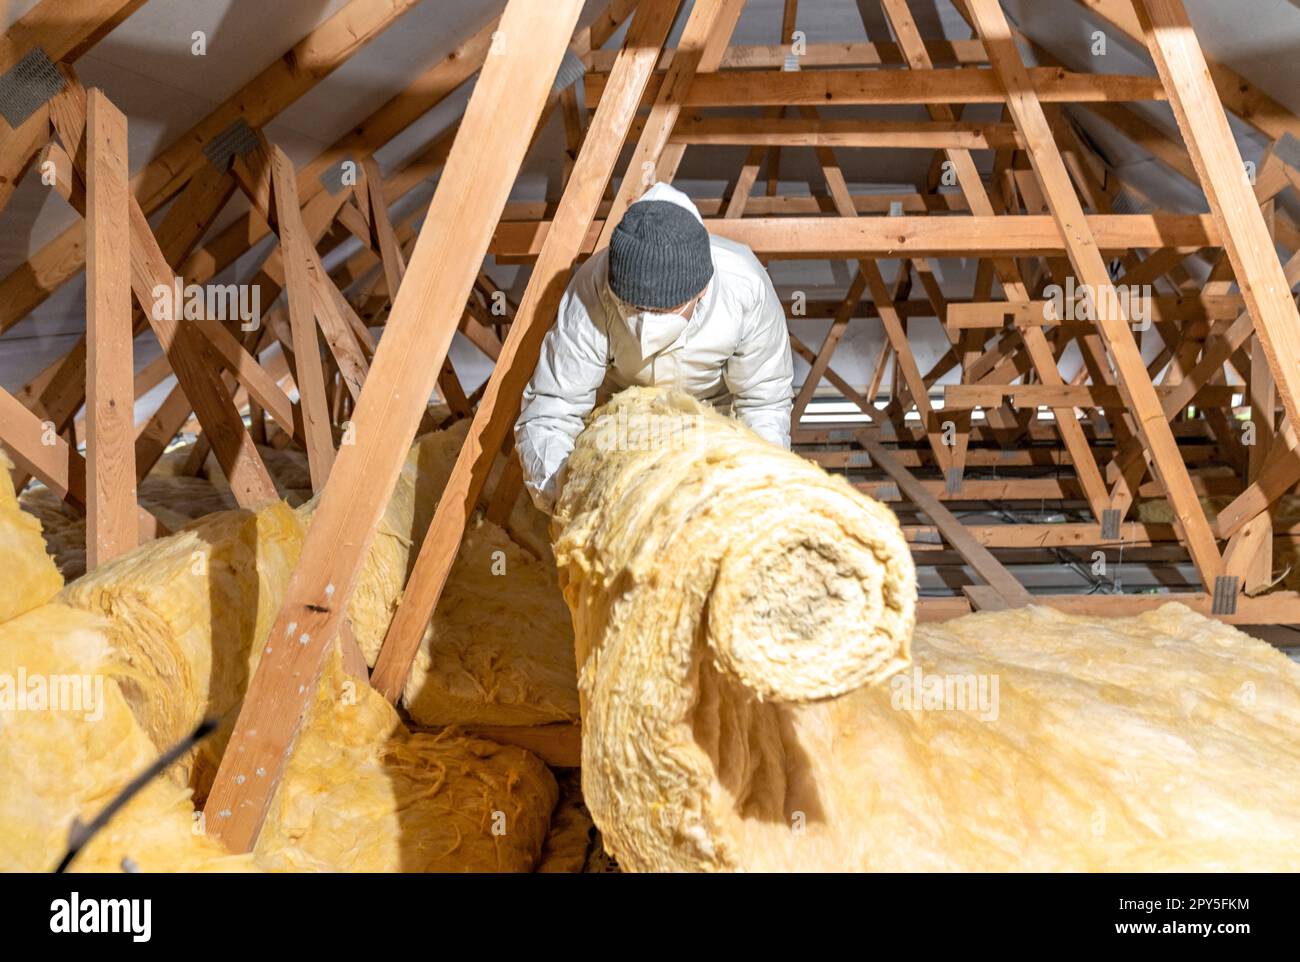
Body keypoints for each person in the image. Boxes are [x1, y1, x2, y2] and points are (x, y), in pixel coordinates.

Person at [515, 182, 795, 512]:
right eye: (631, 308)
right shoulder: (591, 287)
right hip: (615, 431)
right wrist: (569, 497)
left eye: (664, 312)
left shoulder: (745, 289)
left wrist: (761, 491)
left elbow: (764, 402)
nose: (646, 325)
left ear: (701, 290)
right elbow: (554, 406)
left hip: (713, 429)